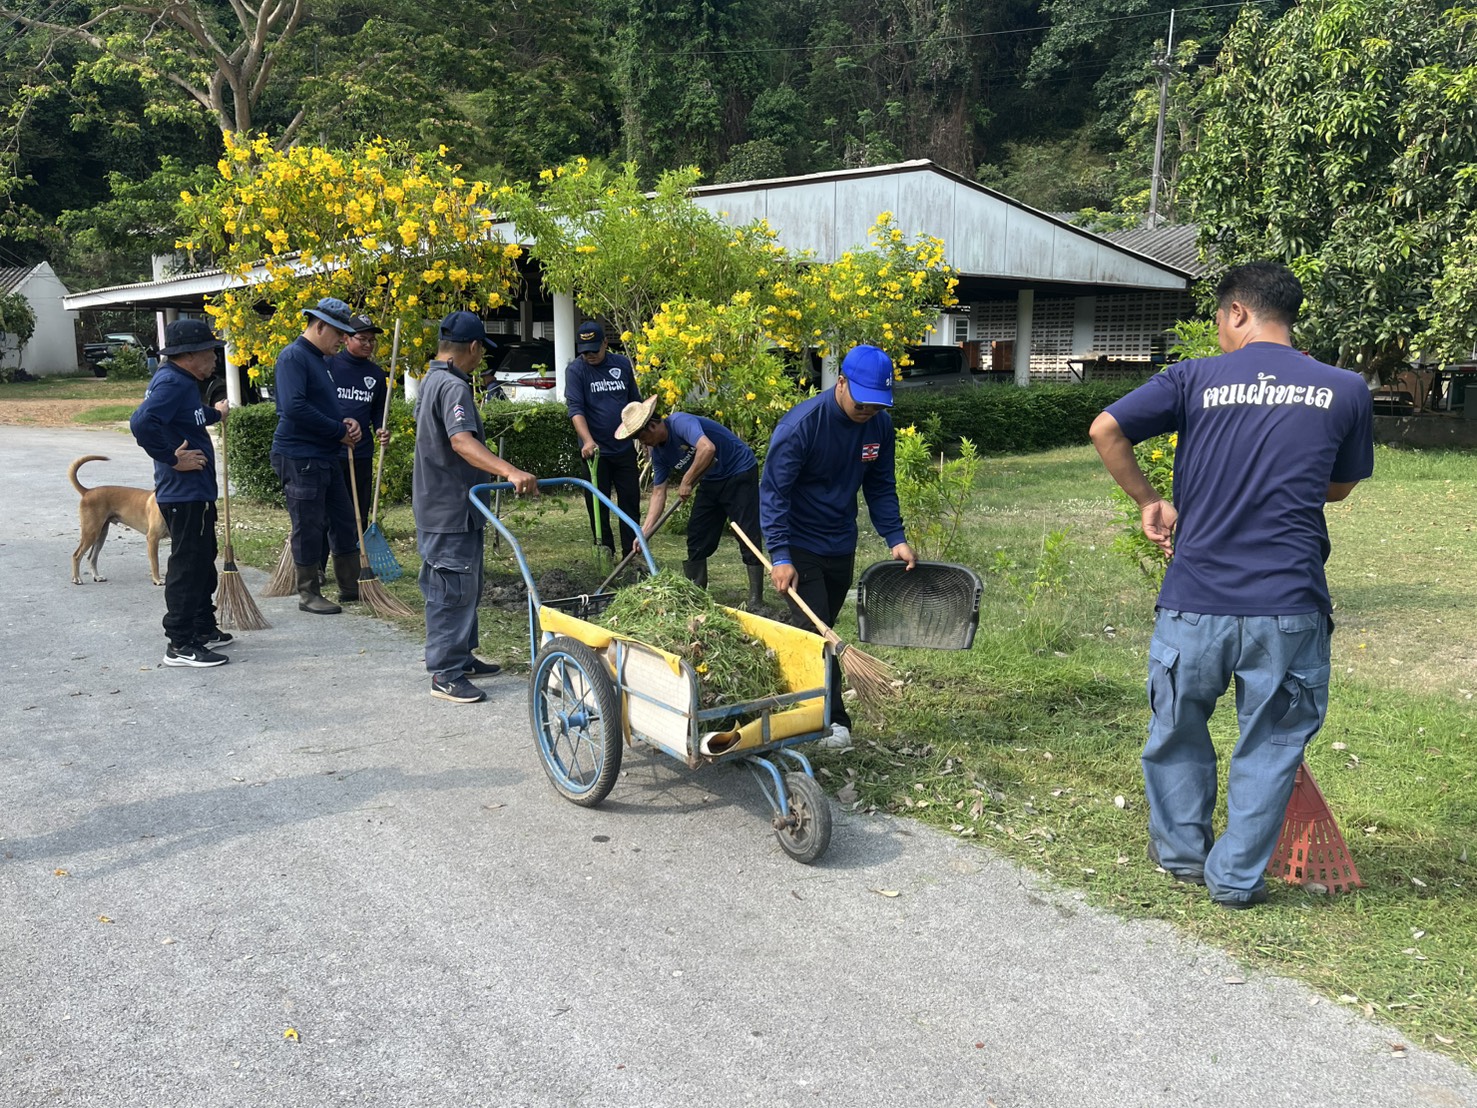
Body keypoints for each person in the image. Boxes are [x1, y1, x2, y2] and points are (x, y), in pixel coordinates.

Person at [1089, 261, 1374, 910]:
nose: (1218, 331)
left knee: (1176, 729)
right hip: (1288, 607)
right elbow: (1338, 486)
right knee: (1271, 745)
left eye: (1218, 318)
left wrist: (1146, 501)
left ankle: (1183, 857)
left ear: (1238, 314)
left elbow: (1105, 428)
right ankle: (1234, 880)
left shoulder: (1193, 378)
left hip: (1193, 602)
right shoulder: (1344, 388)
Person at [760, 344, 918, 749]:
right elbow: (774, 492)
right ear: (841, 383)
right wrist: (779, 554)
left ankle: (788, 697)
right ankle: (831, 722)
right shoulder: (802, 426)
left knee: (823, 624)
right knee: (819, 634)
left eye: (877, 406)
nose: (868, 412)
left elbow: (880, 485)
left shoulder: (878, 427)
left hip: (840, 542)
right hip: (798, 544)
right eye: (863, 403)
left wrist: (895, 538)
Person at [414, 310, 539, 704]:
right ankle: (446, 673)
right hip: (449, 508)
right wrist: (510, 471)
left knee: (463, 584)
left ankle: (462, 655)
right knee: (450, 589)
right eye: (481, 351)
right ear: (471, 347)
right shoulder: (453, 387)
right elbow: (461, 442)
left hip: (451, 506)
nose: (480, 359)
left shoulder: (429, 380)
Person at [128, 318, 232, 668]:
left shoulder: (182, 381)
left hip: (195, 492)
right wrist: (173, 457)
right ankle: (180, 643)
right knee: (189, 565)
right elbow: (142, 422)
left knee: (203, 558)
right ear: (189, 355)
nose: (215, 359)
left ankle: (203, 625)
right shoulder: (173, 382)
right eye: (210, 352)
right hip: (184, 492)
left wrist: (215, 415)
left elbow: (190, 416)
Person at [615, 396, 767, 610]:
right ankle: (695, 594)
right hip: (711, 478)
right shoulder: (659, 453)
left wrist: (686, 481)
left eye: (641, 437)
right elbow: (659, 492)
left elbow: (707, 448)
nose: (642, 443)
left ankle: (756, 600)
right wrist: (645, 531)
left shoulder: (680, 422)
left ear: (652, 425)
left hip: (738, 471)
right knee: (697, 534)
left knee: (746, 532)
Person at [270, 296, 362, 615]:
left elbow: (320, 405)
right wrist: (338, 431)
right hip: (300, 456)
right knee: (309, 525)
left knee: (343, 519)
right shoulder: (294, 357)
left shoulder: (320, 360)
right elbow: (293, 408)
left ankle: (351, 585)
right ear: (319, 325)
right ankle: (308, 593)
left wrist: (344, 423)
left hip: (324, 454)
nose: (343, 339)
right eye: (339, 332)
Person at [565, 320, 641, 558]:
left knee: (630, 502)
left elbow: (635, 404)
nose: (589, 355)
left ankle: (632, 553)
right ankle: (605, 552)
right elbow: (575, 409)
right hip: (596, 455)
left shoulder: (621, 364)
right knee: (598, 506)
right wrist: (588, 441)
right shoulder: (576, 370)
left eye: (594, 350)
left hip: (624, 449)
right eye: (584, 351)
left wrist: (643, 436)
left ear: (605, 343)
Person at [324, 314, 391, 575]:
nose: (368, 345)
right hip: (332, 451)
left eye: (371, 341)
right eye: (362, 339)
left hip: (361, 453)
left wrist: (380, 430)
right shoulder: (329, 366)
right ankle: (318, 567)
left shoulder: (375, 374)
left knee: (358, 512)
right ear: (345, 338)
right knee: (325, 514)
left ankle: (355, 566)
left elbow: (377, 411)